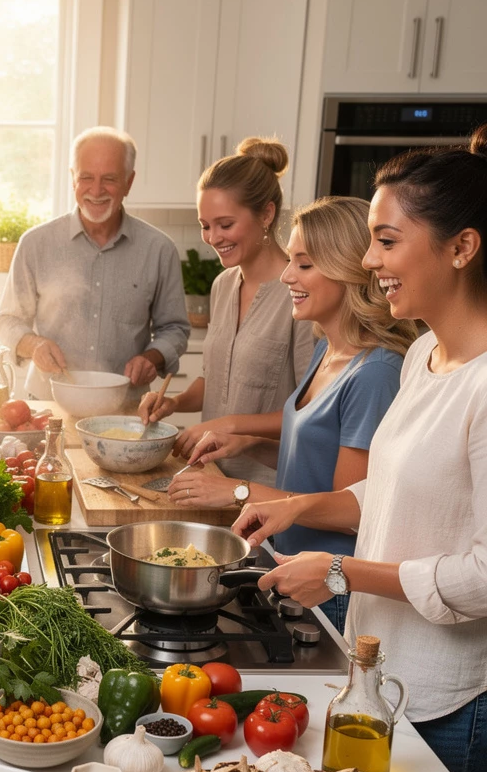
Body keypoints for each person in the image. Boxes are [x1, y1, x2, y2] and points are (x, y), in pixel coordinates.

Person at [233, 126, 487, 772]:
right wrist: (299, 507)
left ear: (463, 247)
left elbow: (484, 573)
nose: (370, 261)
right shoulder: (424, 354)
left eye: (387, 239)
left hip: (450, 702)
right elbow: (402, 484)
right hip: (378, 672)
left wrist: (340, 571)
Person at [167, 197, 417, 632]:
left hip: (329, 591)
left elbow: (350, 508)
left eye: (304, 265)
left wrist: (237, 492)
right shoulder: (328, 347)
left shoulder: (375, 373)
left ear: (349, 270)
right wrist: (253, 445)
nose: (286, 276)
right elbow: (315, 465)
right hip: (288, 571)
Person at [139, 138, 314, 484]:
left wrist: (226, 425)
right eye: (205, 225)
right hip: (211, 479)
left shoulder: (300, 292)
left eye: (225, 224)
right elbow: (216, 381)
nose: (213, 237)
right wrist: (173, 403)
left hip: (268, 487)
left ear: (266, 214)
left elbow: (309, 411)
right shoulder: (222, 285)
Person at [0, 126, 189, 399]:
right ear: (73, 179)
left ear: (129, 182)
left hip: (125, 405)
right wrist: (33, 344)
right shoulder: (36, 243)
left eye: (109, 178)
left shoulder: (159, 249)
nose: (96, 191)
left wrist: (153, 358)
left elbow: (175, 329)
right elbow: (8, 320)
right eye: (86, 177)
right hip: (50, 403)